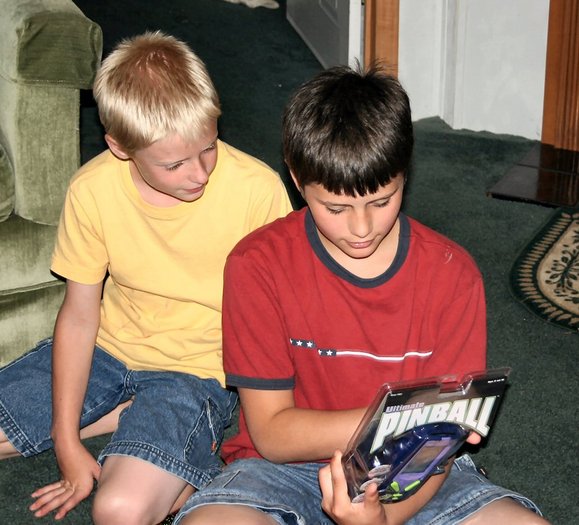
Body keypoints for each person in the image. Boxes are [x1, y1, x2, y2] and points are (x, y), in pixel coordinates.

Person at [173, 65, 549, 525]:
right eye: (336, 207)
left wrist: (383, 518)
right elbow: (271, 433)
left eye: (381, 201)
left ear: (404, 173)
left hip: (416, 472)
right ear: (296, 178)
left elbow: (439, 452)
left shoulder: (453, 275)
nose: (361, 228)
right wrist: (409, 418)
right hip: (282, 473)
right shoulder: (257, 265)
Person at [0, 31, 292, 525]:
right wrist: (66, 440)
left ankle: (167, 439)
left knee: (118, 510)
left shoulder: (257, 190)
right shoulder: (92, 189)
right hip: (107, 351)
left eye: (209, 147)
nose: (199, 173)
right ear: (120, 147)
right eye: (175, 164)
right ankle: (125, 419)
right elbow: (79, 316)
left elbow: (284, 316)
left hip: (195, 372)